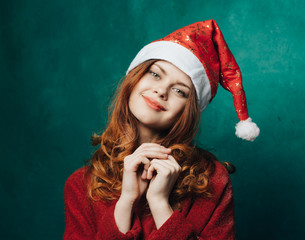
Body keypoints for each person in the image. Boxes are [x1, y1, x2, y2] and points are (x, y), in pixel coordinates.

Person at [64, 19, 260, 239]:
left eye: (180, 91)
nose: (161, 91)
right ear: (134, 79)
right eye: (155, 74)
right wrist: (126, 201)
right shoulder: (81, 186)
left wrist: (159, 204)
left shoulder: (212, 180)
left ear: (189, 111)